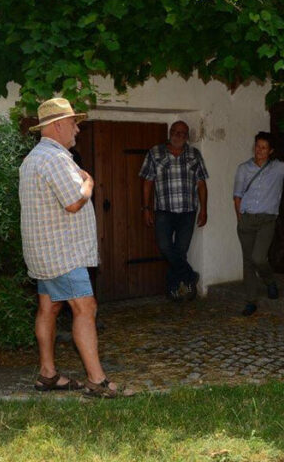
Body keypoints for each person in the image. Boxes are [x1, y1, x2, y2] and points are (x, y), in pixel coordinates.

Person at [19, 98, 130, 398]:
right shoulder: (55, 159)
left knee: (48, 307)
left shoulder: (32, 159)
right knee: (85, 307)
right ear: (56, 125)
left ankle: (48, 374)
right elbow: (73, 201)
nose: (77, 129)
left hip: (43, 252)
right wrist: (89, 184)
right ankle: (97, 381)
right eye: (73, 123)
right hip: (62, 254)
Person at [233, 132, 284, 316]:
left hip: (267, 219)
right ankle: (250, 301)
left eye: (264, 148)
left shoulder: (277, 168)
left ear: (270, 151)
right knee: (247, 261)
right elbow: (237, 195)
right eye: (257, 146)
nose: (259, 151)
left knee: (258, 258)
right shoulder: (243, 168)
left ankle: (269, 281)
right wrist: (240, 218)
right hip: (247, 219)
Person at [140, 121, 209, 302]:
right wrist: (146, 208)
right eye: (176, 132)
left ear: (187, 136)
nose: (179, 135)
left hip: (188, 211)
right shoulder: (155, 153)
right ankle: (190, 276)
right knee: (164, 246)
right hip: (164, 210)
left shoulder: (195, 154)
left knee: (180, 251)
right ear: (170, 132)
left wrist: (204, 210)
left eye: (183, 133)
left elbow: (201, 184)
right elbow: (147, 181)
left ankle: (176, 289)